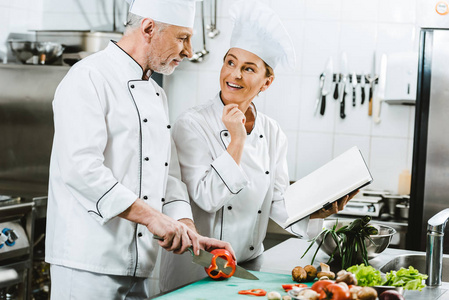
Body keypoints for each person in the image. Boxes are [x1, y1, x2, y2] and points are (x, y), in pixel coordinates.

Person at [159, 0, 357, 291]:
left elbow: (277, 201)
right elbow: (208, 197)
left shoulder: (272, 132)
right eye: (230, 62)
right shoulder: (192, 124)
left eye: (249, 68)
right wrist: (237, 139)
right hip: (198, 268)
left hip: (249, 266)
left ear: (266, 82)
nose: (234, 75)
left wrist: (316, 211)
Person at [45, 0, 234, 299]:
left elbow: (167, 178)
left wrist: (188, 230)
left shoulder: (157, 93)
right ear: (148, 28)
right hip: (87, 264)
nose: (188, 50)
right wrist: (153, 218)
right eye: (182, 37)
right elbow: (81, 168)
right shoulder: (88, 77)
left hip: (139, 267)